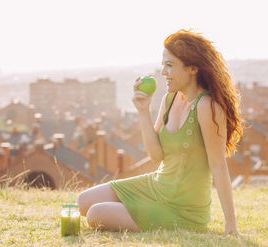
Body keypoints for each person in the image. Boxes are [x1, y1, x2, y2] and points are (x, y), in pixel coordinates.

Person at [76, 29, 243, 235]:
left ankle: (179, 220)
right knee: (82, 202)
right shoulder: (169, 99)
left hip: (182, 208)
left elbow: (218, 165)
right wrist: (143, 111)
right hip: (156, 186)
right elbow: (157, 155)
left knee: (95, 214)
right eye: (163, 64)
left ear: (192, 68)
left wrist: (231, 224)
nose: (163, 72)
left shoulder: (207, 106)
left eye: (169, 65)